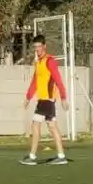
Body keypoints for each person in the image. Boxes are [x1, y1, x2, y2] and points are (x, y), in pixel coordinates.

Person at [20, 34, 68, 165]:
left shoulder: (49, 61)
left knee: (35, 124)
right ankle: (61, 155)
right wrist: (28, 98)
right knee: (52, 126)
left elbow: (58, 79)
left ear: (44, 46)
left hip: (46, 100)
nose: (37, 49)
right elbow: (35, 82)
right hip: (44, 100)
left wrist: (63, 97)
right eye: (35, 47)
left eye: (39, 47)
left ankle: (32, 156)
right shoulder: (38, 63)